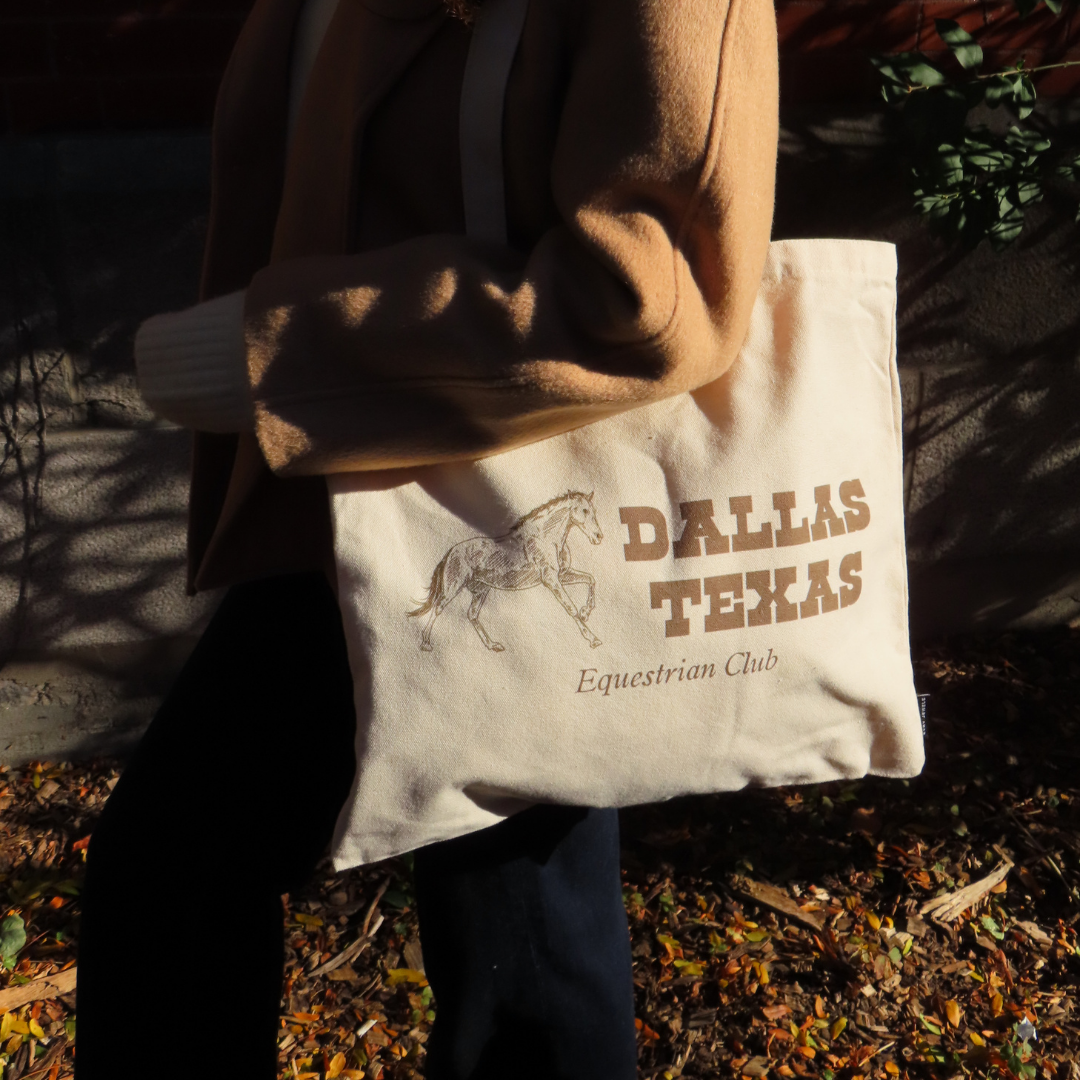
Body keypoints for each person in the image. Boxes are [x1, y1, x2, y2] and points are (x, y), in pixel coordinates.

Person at [76, 0, 778, 1076]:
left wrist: (280, 354)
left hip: (490, 491)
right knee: (515, 945)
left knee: (195, 873)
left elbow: (651, 297)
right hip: (384, 495)